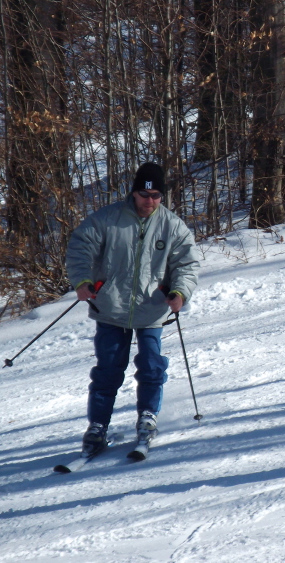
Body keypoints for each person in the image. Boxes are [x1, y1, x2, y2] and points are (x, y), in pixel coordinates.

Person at [66, 162, 200, 454]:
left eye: (155, 196)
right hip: (110, 307)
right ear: (134, 193)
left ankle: (148, 417)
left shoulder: (172, 225)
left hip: (152, 308)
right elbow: (80, 247)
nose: (149, 201)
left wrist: (180, 291)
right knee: (108, 370)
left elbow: (187, 264)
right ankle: (98, 426)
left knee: (151, 366)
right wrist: (82, 280)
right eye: (144, 194)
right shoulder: (107, 219)